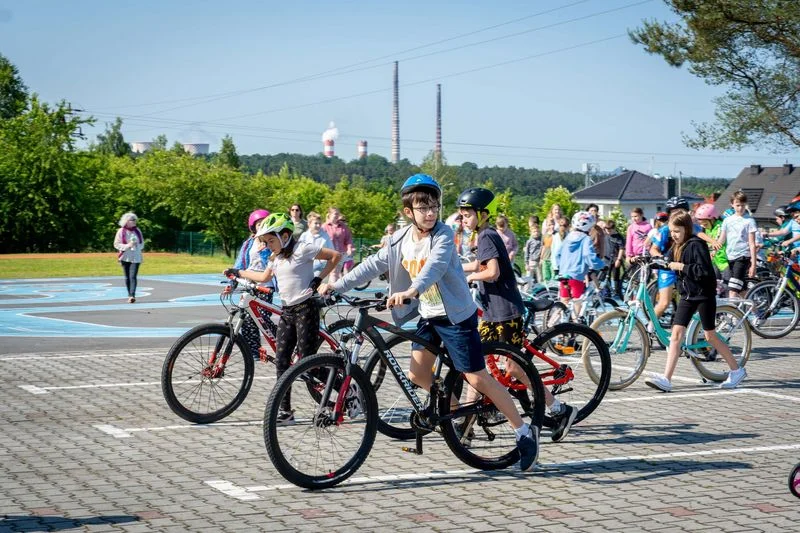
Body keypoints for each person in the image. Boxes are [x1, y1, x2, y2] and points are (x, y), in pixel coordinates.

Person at [321, 174, 540, 471]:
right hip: (429, 314)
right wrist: (336, 285)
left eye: (434, 206)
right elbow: (373, 264)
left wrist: (412, 290)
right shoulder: (400, 239)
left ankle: (524, 432)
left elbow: (434, 267)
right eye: (423, 208)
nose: (430, 213)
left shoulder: (443, 235)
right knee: (417, 374)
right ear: (408, 212)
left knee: (477, 378)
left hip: (456, 317)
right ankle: (456, 415)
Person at [459, 188, 577, 443]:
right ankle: (466, 426)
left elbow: (492, 272)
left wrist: (471, 277)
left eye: (467, 215)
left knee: (514, 367)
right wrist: (456, 267)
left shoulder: (487, 235)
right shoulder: (483, 235)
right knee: (477, 367)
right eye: (462, 215)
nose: (463, 219)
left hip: (505, 312)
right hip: (492, 313)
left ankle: (560, 410)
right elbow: (480, 264)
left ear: (483, 214)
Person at [227, 213, 341, 423]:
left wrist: (319, 278)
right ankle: (285, 412)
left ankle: (348, 389)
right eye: (265, 241)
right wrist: (239, 272)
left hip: (306, 310)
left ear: (285, 236)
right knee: (281, 361)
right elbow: (263, 277)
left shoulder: (303, 249)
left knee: (308, 364)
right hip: (287, 312)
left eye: (271, 241)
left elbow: (335, 256)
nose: (268, 245)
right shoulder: (275, 258)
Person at [644, 211, 747, 392]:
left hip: (703, 295)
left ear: (687, 229)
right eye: (672, 231)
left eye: (677, 231)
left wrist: (682, 267)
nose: (674, 235)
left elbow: (704, 271)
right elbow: (666, 262)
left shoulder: (696, 244)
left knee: (710, 336)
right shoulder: (677, 246)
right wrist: (645, 260)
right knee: (676, 335)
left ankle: (737, 370)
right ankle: (666, 379)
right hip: (687, 296)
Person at [229, 209, 274, 359]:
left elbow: (272, 264)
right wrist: (232, 282)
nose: (261, 227)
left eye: (264, 224)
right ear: (253, 227)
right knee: (247, 320)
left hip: (264, 285)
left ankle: (282, 341)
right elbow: (240, 263)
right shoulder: (249, 243)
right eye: (259, 224)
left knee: (262, 318)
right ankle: (252, 351)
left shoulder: (271, 242)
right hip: (249, 284)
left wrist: (265, 251)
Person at [554, 211, 605, 320]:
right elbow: (588, 256)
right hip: (576, 275)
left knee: (564, 303)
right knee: (577, 303)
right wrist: (601, 264)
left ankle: (551, 324)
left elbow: (557, 254)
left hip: (563, 274)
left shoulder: (569, 236)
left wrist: (560, 268)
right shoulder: (585, 239)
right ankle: (574, 326)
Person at [715, 191, 757, 298]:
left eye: (743, 205)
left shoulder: (749, 221)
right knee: (741, 289)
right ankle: (755, 309)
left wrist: (753, 264)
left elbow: (752, 244)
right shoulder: (727, 220)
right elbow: (722, 239)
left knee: (732, 290)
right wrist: (714, 250)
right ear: (732, 204)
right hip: (730, 257)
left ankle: (730, 309)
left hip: (743, 257)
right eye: (738, 205)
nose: (740, 208)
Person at [114, 212, 144, 303]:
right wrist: (128, 245)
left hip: (136, 257)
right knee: (127, 277)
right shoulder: (121, 231)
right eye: (132, 220)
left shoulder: (137, 231)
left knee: (133, 276)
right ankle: (129, 294)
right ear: (126, 221)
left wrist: (136, 246)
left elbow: (142, 244)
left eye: (135, 220)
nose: (134, 221)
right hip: (125, 257)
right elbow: (116, 244)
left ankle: (132, 296)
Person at [322, 206, 354, 283]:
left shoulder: (343, 226)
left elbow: (348, 238)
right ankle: (330, 288)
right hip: (328, 253)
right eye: (335, 214)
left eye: (338, 214)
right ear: (330, 214)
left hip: (340, 254)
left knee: (335, 274)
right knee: (333, 274)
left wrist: (349, 248)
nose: (337, 215)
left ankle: (330, 288)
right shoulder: (324, 226)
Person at [299, 211, 333, 278]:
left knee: (314, 281)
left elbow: (331, 250)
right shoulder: (304, 236)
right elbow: (299, 250)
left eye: (320, 223)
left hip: (320, 266)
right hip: (306, 265)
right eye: (316, 223)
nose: (318, 225)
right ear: (309, 224)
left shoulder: (325, 236)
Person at [604, 219, 626, 300]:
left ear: (613, 228)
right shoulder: (605, 235)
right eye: (606, 230)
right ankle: (607, 291)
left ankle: (617, 291)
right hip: (606, 258)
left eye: (610, 230)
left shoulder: (618, 237)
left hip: (615, 258)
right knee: (606, 275)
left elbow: (621, 248)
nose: (608, 232)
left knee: (616, 276)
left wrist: (619, 259)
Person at [524, 217, 542, 285]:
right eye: (534, 232)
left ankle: (541, 290)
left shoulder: (541, 240)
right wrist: (526, 263)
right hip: (531, 262)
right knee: (528, 278)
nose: (536, 233)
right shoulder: (529, 241)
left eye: (537, 231)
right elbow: (527, 253)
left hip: (538, 262)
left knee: (540, 278)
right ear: (531, 232)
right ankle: (526, 290)